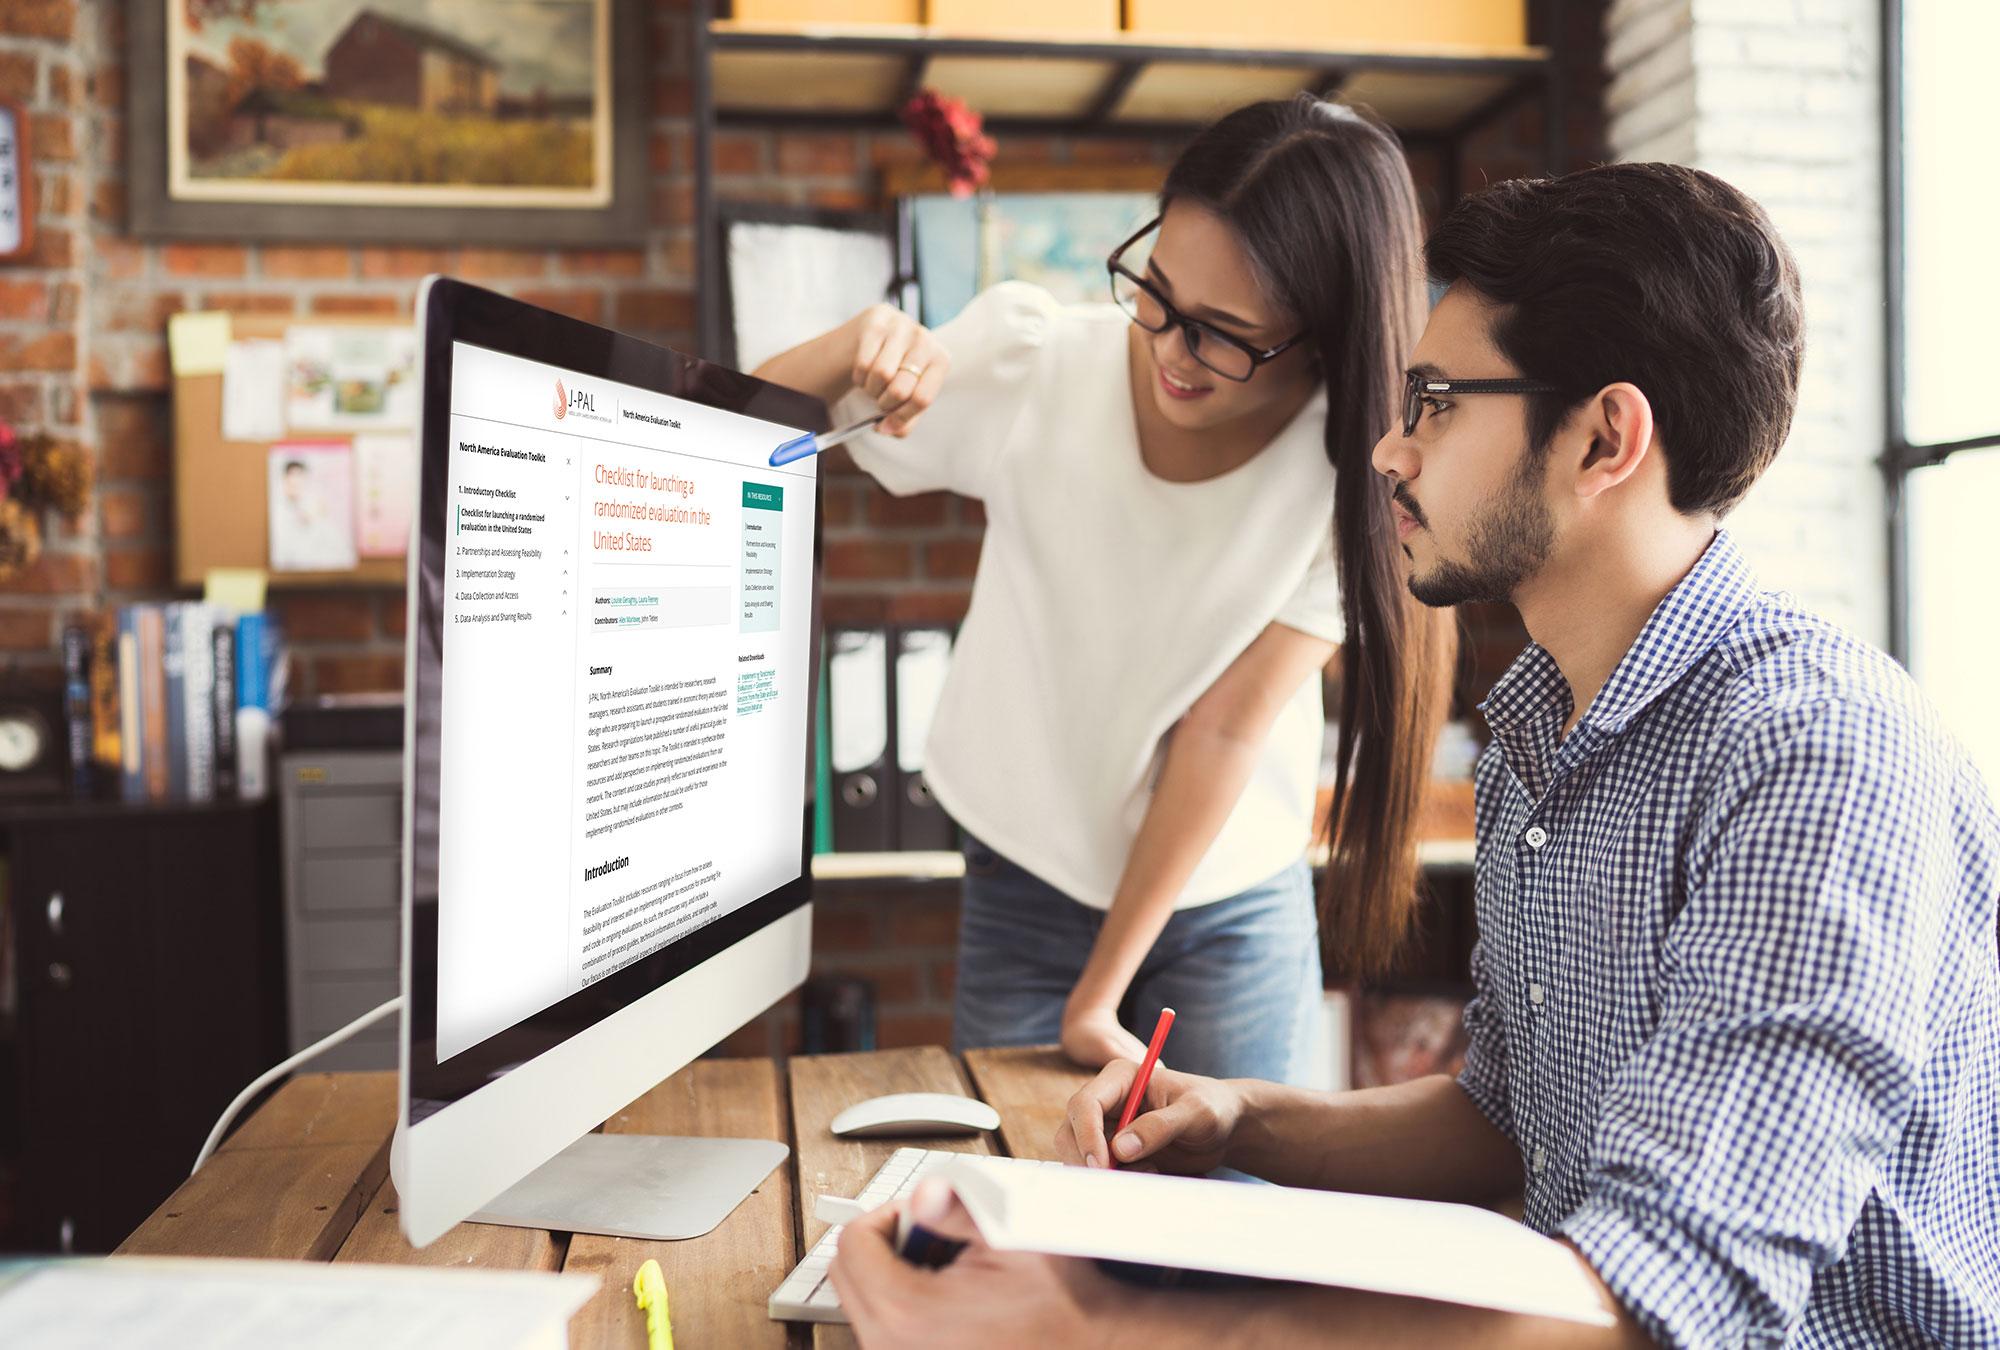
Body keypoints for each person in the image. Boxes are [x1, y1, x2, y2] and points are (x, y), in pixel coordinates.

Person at [824, 161, 2000, 1347]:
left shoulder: (1814, 758)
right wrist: (1242, 1120)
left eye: (1435, 401)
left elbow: (1663, 1308)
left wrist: (1081, 1334)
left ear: (1603, 440)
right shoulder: (1542, 728)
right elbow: (1508, 1116)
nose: (1388, 452)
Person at [755, 97, 1452, 1083]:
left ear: (1325, 337)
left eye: (1221, 334)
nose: (1167, 348)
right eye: (1154, 291)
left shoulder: (1359, 473)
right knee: (1014, 1213)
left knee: (1238, 1214)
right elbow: (737, 449)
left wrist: (1100, 990)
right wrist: (850, 345)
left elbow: (1220, 731)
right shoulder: (1038, 361)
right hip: (1023, 871)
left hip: (1225, 895)